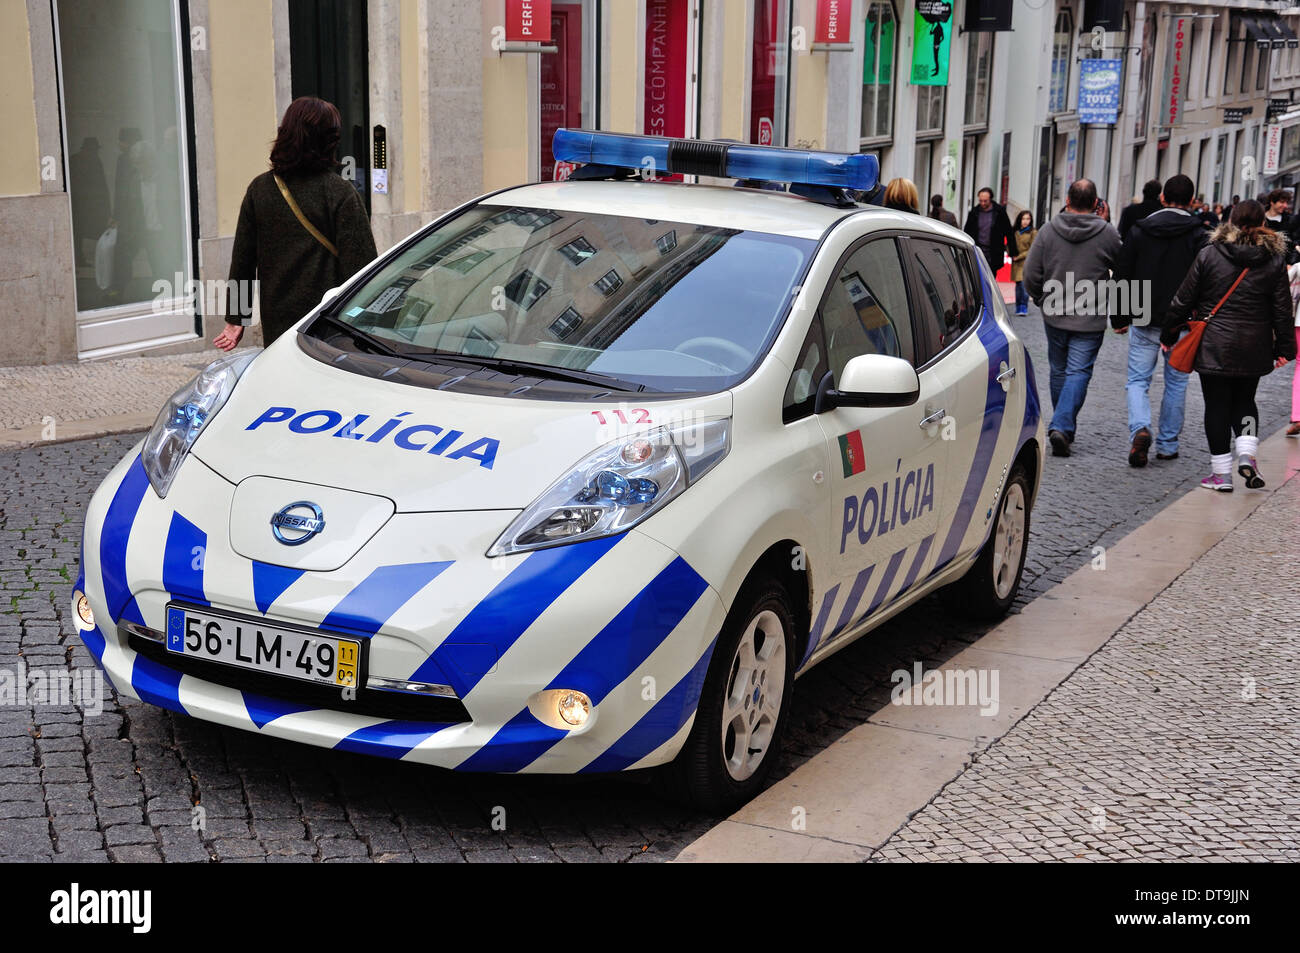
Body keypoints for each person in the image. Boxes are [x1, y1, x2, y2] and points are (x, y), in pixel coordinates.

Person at [215, 97, 378, 350]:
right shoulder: (340, 193)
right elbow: (361, 269)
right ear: (329, 141)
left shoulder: (260, 189)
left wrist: (236, 320)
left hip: (277, 321)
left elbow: (243, 262)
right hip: (326, 324)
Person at [1162, 200, 1296, 490]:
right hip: (1254, 344)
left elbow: (1182, 300)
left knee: (1217, 406)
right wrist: (1286, 348)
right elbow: (1282, 310)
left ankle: (1221, 475)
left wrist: (1169, 335)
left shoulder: (1210, 254)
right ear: (1264, 223)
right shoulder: (1273, 260)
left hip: (1214, 344)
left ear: (1231, 220)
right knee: (1245, 401)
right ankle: (1247, 455)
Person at [1112, 174, 1208, 466]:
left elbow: (1123, 273)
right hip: (1182, 318)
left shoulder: (1141, 230)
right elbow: (1206, 280)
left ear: (1163, 198)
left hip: (1143, 313)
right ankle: (1167, 444)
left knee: (1137, 381)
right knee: (1176, 384)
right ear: (1192, 201)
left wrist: (1120, 316)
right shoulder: (1199, 235)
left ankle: (1140, 428)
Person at [1023, 178, 1122, 457]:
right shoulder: (1108, 234)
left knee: (1058, 369)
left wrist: (1040, 298)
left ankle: (1061, 424)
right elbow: (1124, 269)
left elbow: (1031, 274)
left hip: (1054, 313)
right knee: (1078, 371)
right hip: (1090, 315)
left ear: (1067, 201)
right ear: (1095, 203)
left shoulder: (1047, 231)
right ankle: (1063, 425)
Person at [963, 187, 1014, 276]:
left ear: (990, 199)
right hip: (977, 250)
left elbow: (1008, 231)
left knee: (990, 277)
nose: (983, 203)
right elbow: (967, 231)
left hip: (993, 251)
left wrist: (1013, 251)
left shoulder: (999, 212)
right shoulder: (974, 212)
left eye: (985, 201)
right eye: (981, 200)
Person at [1010, 210, 1036, 316]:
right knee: (1018, 285)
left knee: (1023, 284)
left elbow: (1033, 248)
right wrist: (1011, 253)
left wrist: (1019, 256)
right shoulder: (1015, 232)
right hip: (1016, 263)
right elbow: (1010, 245)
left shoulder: (1033, 232)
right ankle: (1018, 306)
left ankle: (1023, 306)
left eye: (1028, 219)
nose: (1025, 221)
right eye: (1023, 219)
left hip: (1026, 261)